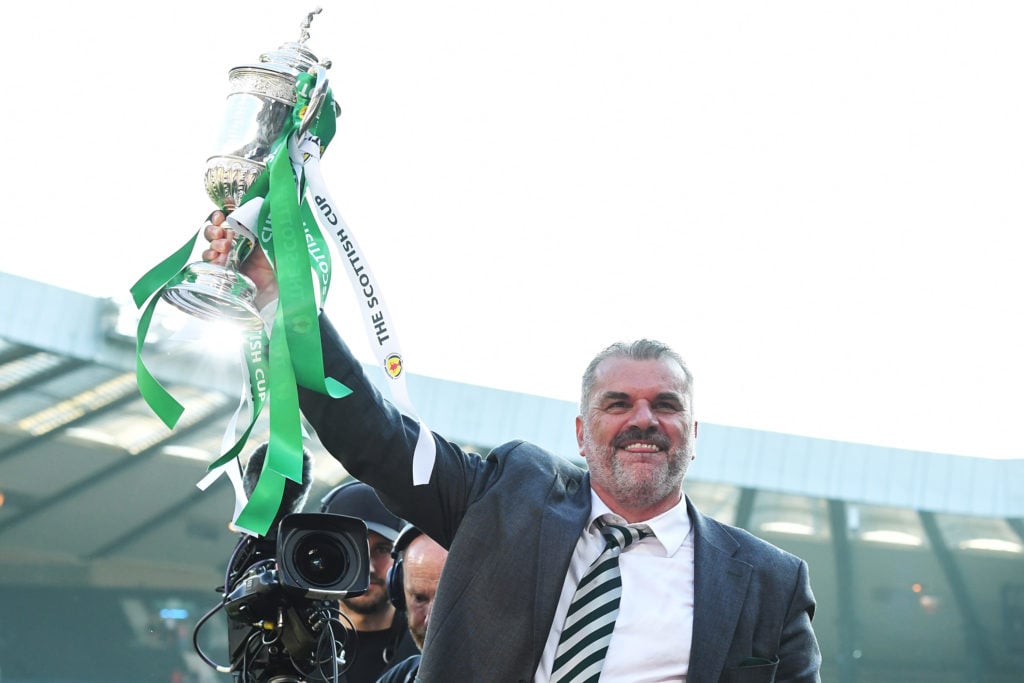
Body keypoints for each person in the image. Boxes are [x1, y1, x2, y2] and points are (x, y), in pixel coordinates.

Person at [204, 212, 821, 681]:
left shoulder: (769, 582)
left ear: (692, 433)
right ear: (581, 434)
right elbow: (375, 435)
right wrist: (278, 297)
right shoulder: (506, 496)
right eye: (617, 404)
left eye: (665, 405)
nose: (643, 420)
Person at [318, 481, 419, 681]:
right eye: (352, 550)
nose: (368, 568)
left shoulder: (427, 645)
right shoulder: (297, 646)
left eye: (381, 549)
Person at [375, 525, 449, 683]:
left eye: (445, 600)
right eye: (419, 598)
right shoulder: (401, 678)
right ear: (398, 592)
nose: (430, 620)